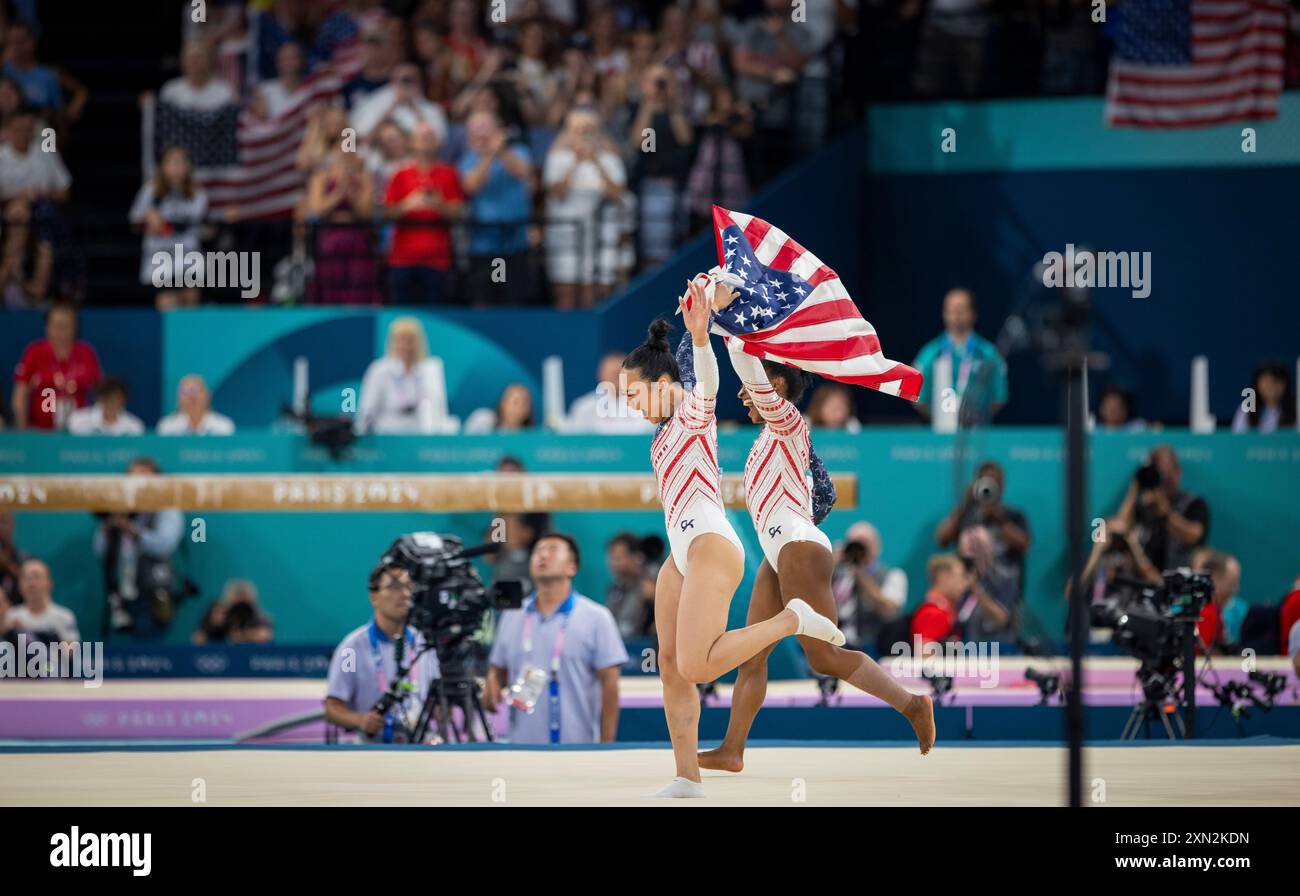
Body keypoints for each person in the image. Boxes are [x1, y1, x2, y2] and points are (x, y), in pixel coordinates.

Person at [695, 279, 933, 773]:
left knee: (823, 658)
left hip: (799, 551)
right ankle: (733, 748)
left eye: (755, 386)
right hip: (782, 554)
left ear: (776, 385)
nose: (742, 395)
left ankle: (913, 705)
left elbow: (746, 367)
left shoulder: (789, 423)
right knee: (752, 654)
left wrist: (728, 320)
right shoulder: (768, 439)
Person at [620, 303, 843, 798]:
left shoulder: (694, 412)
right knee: (674, 668)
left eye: (632, 394)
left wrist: (703, 335)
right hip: (681, 552)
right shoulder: (661, 433)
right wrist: (704, 301)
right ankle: (687, 777)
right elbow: (687, 341)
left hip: (711, 546)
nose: (629, 405)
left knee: (699, 667)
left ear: (661, 385)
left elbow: (707, 379)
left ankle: (791, 620)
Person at [484, 533, 629, 744]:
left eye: (551, 549)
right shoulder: (512, 615)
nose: (542, 555)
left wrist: (606, 745)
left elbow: (610, 685)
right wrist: (493, 681)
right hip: (521, 748)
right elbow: (499, 670)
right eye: (537, 551)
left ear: (572, 567)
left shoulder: (597, 618)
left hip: (578, 746)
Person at [324, 562, 441, 743]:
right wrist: (361, 720)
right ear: (374, 597)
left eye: (408, 586)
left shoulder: (423, 643)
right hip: (372, 750)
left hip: (421, 747)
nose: (405, 594)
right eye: (394, 587)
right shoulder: (351, 650)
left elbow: (439, 707)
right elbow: (333, 708)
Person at [543, 108, 627, 309]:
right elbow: (557, 192)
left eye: (589, 130)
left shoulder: (610, 159)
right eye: (578, 130)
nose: (584, 135)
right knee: (565, 291)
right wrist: (575, 162)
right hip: (565, 237)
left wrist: (596, 162)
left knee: (596, 292)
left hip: (599, 236)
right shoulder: (557, 158)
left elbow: (617, 194)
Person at [92, 457, 185, 635]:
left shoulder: (166, 508)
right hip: (122, 593)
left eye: (143, 475)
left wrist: (132, 530)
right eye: (132, 476)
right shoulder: (120, 508)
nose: (138, 481)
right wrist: (108, 527)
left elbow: (165, 544)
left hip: (153, 590)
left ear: (157, 480)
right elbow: (99, 550)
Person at [457, 110, 535, 306]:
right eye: (474, 129)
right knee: (489, 296)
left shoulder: (518, 152)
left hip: (515, 241)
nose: (480, 134)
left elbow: (523, 172)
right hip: (487, 245)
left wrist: (501, 151)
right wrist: (490, 155)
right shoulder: (468, 160)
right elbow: (471, 185)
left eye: (484, 127)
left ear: (498, 130)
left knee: (515, 298)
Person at [383, 122, 464, 305]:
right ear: (412, 143)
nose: (426, 141)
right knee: (403, 315)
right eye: (421, 136)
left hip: (438, 260)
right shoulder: (400, 175)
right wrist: (407, 205)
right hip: (402, 259)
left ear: (437, 143)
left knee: (436, 315)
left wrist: (438, 205)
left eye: (430, 136)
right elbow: (387, 214)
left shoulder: (449, 173)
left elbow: (458, 212)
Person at [936, 460, 1031, 609]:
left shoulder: (1013, 515)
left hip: (1003, 595)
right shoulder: (966, 513)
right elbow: (942, 539)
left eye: (994, 481)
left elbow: (1024, 545)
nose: (989, 486)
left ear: (1002, 485)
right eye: (984, 480)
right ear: (976, 483)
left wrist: (998, 517)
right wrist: (965, 505)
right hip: (966, 592)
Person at [911, 287, 1008, 423]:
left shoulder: (988, 353)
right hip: (940, 433)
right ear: (944, 314)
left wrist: (976, 418)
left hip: (977, 433)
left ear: (973, 314)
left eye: (961, 309)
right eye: (951, 310)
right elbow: (917, 396)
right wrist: (940, 417)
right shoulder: (930, 353)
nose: (956, 315)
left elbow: (999, 397)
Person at [304, 137, 380, 305]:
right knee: (329, 287)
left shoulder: (364, 177)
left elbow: (365, 213)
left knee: (359, 289)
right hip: (330, 238)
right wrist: (339, 192)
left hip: (357, 238)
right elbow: (317, 209)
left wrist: (350, 193)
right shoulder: (321, 177)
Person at [1112, 445, 1209, 572]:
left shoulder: (1194, 503)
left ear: (1178, 471)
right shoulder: (1144, 504)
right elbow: (1120, 527)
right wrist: (1135, 488)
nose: (1164, 481)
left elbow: (1194, 536)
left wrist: (1165, 513)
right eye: (1159, 474)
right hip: (1143, 579)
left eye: (1167, 473)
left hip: (1177, 579)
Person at [128, 145, 208, 291]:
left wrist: (164, 223)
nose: (177, 168)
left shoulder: (197, 194)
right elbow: (134, 223)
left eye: (182, 162)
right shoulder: (150, 191)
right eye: (172, 162)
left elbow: (195, 225)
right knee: (168, 304)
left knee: (190, 302)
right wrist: (146, 220)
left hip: (189, 260)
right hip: (160, 262)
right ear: (163, 166)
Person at [11, 302, 100, 430]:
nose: (62, 332)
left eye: (67, 326)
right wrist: (22, 431)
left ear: (75, 328)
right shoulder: (34, 351)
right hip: (40, 431)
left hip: (79, 432)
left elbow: (99, 392)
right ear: (47, 327)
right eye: (57, 326)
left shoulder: (86, 352)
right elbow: (21, 392)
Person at [356, 317, 454, 434]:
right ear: (392, 341)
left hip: (418, 434)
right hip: (386, 434)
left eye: (410, 340)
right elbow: (368, 408)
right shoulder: (380, 370)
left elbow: (436, 408)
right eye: (400, 340)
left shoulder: (428, 371)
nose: (405, 346)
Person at [830, 522, 908, 653]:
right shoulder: (839, 573)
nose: (860, 549)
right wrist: (830, 564)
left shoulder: (893, 575)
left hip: (872, 644)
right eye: (855, 543)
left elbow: (889, 610)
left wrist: (861, 575)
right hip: (835, 640)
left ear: (876, 546)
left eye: (865, 543)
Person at [563, 350, 654, 434]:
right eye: (612, 374)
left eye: (619, 373)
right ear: (600, 374)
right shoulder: (585, 407)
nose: (616, 378)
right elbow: (577, 442)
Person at [7, 558, 80, 642]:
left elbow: (71, 652)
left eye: (37, 577)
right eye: (26, 578)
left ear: (49, 583)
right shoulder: (10, 618)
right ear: (19, 585)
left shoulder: (64, 617)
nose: (32, 583)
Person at [911, 554, 969, 653]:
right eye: (961, 576)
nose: (965, 583)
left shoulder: (945, 610)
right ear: (944, 577)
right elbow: (924, 654)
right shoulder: (935, 613)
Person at [158, 40, 236, 112]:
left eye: (199, 57)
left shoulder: (224, 91)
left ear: (209, 61)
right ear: (183, 61)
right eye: (191, 58)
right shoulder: (170, 90)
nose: (195, 62)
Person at [604, 532, 656, 639]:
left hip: (646, 649)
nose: (614, 562)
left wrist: (655, 599)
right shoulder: (615, 588)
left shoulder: (653, 581)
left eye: (619, 557)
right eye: (612, 557)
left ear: (637, 557)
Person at [193, 579, 274, 644]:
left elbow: (266, 635)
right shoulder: (219, 613)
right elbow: (197, 639)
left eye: (244, 597)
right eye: (237, 597)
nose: (240, 606)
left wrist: (242, 635)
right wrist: (212, 626)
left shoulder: (258, 615)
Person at [157, 375, 235, 435]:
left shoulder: (224, 426)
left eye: (195, 391)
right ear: (178, 398)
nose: (191, 397)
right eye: (185, 392)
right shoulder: (167, 426)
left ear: (207, 395)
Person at [1196, 552, 1242, 655]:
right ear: (1215, 579)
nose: (1236, 589)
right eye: (1232, 583)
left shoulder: (1214, 610)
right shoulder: (1207, 613)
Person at [66, 376, 145, 435]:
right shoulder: (78, 421)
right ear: (99, 398)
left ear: (123, 399)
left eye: (117, 398)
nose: (113, 403)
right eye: (108, 398)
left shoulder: (134, 426)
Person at [1232, 362, 1295, 433]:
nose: (1271, 386)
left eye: (1276, 381)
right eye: (1266, 381)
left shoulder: (1296, 409)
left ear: (1285, 384)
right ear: (1257, 383)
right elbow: (1238, 440)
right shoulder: (1246, 410)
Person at [463, 383, 534, 433]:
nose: (520, 407)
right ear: (503, 403)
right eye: (515, 402)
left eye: (525, 403)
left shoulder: (531, 436)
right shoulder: (483, 420)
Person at [0, 510, 30, 604]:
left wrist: (8, 565)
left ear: (12, 526)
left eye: (3, 522)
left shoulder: (24, 559)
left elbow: (31, 583)